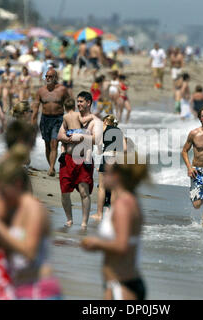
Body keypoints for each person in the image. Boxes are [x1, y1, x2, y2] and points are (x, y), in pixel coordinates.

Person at [0, 144, 62, 300]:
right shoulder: (11, 210)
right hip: (19, 289)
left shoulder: (33, 208)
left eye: (2, 190)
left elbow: (29, 252)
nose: (0, 196)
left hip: (40, 290)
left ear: (17, 184)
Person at [81, 151, 148, 300]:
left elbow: (122, 245)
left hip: (123, 285)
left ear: (117, 176)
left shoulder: (124, 204)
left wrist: (96, 243)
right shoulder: (127, 201)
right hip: (115, 282)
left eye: (107, 172)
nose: (103, 174)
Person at [57, 91, 103, 230]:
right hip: (68, 159)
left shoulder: (95, 121)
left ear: (88, 102)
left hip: (84, 160)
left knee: (84, 192)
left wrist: (81, 137)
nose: (78, 104)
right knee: (65, 191)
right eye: (77, 101)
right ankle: (69, 220)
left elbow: (98, 140)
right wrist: (68, 138)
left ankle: (84, 223)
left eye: (81, 101)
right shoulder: (72, 117)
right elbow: (59, 135)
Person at [31, 68, 70, 177]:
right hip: (45, 119)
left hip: (58, 119)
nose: (48, 78)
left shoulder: (62, 89)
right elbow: (36, 107)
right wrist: (33, 121)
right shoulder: (41, 91)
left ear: (55, 78)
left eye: (50, 76)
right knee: (47, 145)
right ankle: (51, 167)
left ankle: (52, 168)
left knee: (54, 143)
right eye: (46, 76)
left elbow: (69, 105)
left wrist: (71, 121)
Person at [91, 115, 124, 221]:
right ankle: (111, 215)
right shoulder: (119, 131)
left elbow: (98, 146)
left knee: (102, 187)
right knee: (114, 189)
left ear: (105, 121)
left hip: (107, 156)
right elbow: (125, 148)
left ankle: (99, 214)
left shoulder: (103, 128)